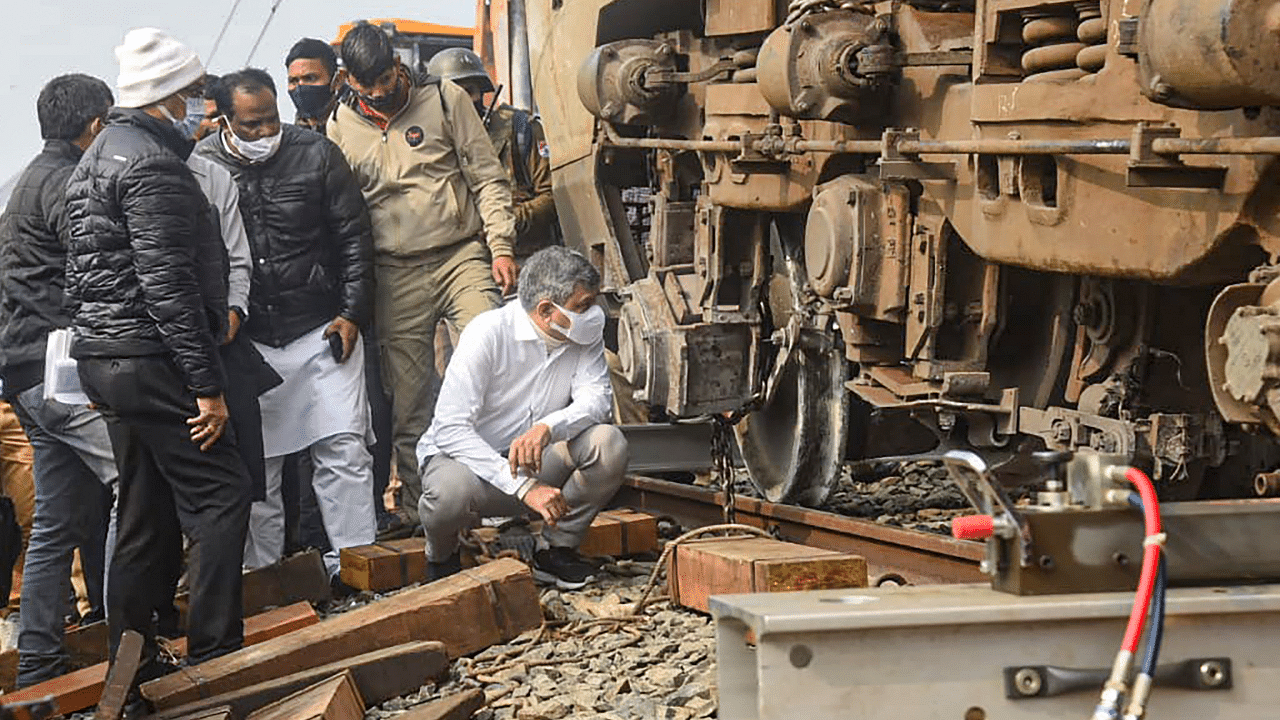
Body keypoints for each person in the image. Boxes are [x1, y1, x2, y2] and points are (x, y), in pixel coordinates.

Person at [64, 28, 250, 677]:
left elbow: (80, 275)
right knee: (222, 491)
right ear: (167, 98)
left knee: (144, 510)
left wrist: (94, 362)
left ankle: (132, 664)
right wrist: (206, 386)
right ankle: (217, 651)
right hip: (150, 356)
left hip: (109, 358)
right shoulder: (153, 165)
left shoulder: (96, 158)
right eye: (195, 95)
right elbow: (166, 281)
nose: (205, 107)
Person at [327, 23, 518, 525]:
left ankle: (508, 495)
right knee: (409, 401)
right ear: (350, 80)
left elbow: (486, 177)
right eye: (368, 87)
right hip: (393, 271)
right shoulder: (341, 124)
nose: (382, 93)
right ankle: (421, 511)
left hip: (461, 255)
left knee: (492, 361)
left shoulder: (445, 98)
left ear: (398, 65)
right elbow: (343, 215)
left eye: (388, 79)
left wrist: (500, 247)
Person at [197, 68, 376, 582]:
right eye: (251, 125)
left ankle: (357, 566)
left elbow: (354, 239)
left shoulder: (317, 153)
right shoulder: (203, 167)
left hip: (321, 329)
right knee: (261, 470)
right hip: (249, 342)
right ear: (226, 121)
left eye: (271, 121)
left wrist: (352, 313)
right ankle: (265, 580)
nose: (264, 134)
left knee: (344, 450)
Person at [0, 73, 119, 686]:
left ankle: (39, 661)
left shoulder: (23, 182)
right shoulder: (71, 186)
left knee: (56, 519)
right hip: (62, 370)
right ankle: (131, 637)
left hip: (24, 372)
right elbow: (94, 277)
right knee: (135, 479)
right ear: (95, 125)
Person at [417, 246, 628, 590]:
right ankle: (442, 555)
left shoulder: (582, 330)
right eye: (582, 306)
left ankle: (556, 551)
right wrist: (525, 487)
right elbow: (450, 429)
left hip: (537, 461)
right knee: (447, 495)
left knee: (609, 444)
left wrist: (548, 427)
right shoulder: (487, 333)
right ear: (547, 310)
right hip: (473, 468)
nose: (593, 313)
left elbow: (597, 401)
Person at [285, 37, 401, 538]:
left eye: (309, 79)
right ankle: (308, 529)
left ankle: (368, 514)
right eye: (293, 81)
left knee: (369, 414)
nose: (300, 89)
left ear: (335, 78)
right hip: (308, 301)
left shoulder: (358, 128)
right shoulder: (285, 141)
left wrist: (356, 300)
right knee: (303, 424)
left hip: (359, 293)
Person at [427, 48, 557, 263]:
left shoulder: (519, 128)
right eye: (453, 93)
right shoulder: (430, 144)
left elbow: (551, 196)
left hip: (523, 259)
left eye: (469, 91)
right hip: (462, 264)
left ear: (481, 92)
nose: (462, 100)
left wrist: (504, 221)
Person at [285, 38, 342, 132]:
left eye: (310, 78)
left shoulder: (355, 127)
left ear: (336, 81)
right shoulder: (289, 139)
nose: (300, 86)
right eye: (293, 81)